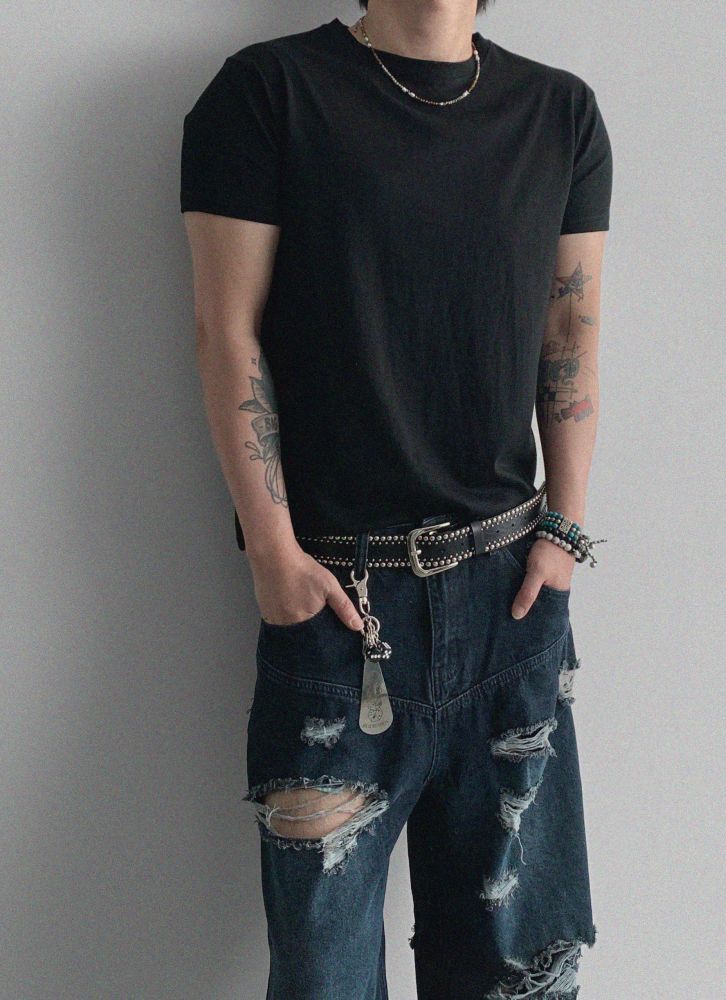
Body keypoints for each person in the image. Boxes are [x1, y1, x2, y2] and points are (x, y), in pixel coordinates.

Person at [180, 1, 612, 997]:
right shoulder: (269, 93)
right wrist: (274, 555)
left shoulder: (559, 113)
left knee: (518, 975)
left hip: (512, 602)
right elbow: (226, 333)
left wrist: (565, 528)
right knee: (324, 980)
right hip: (338, 606)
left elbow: (572, 332)